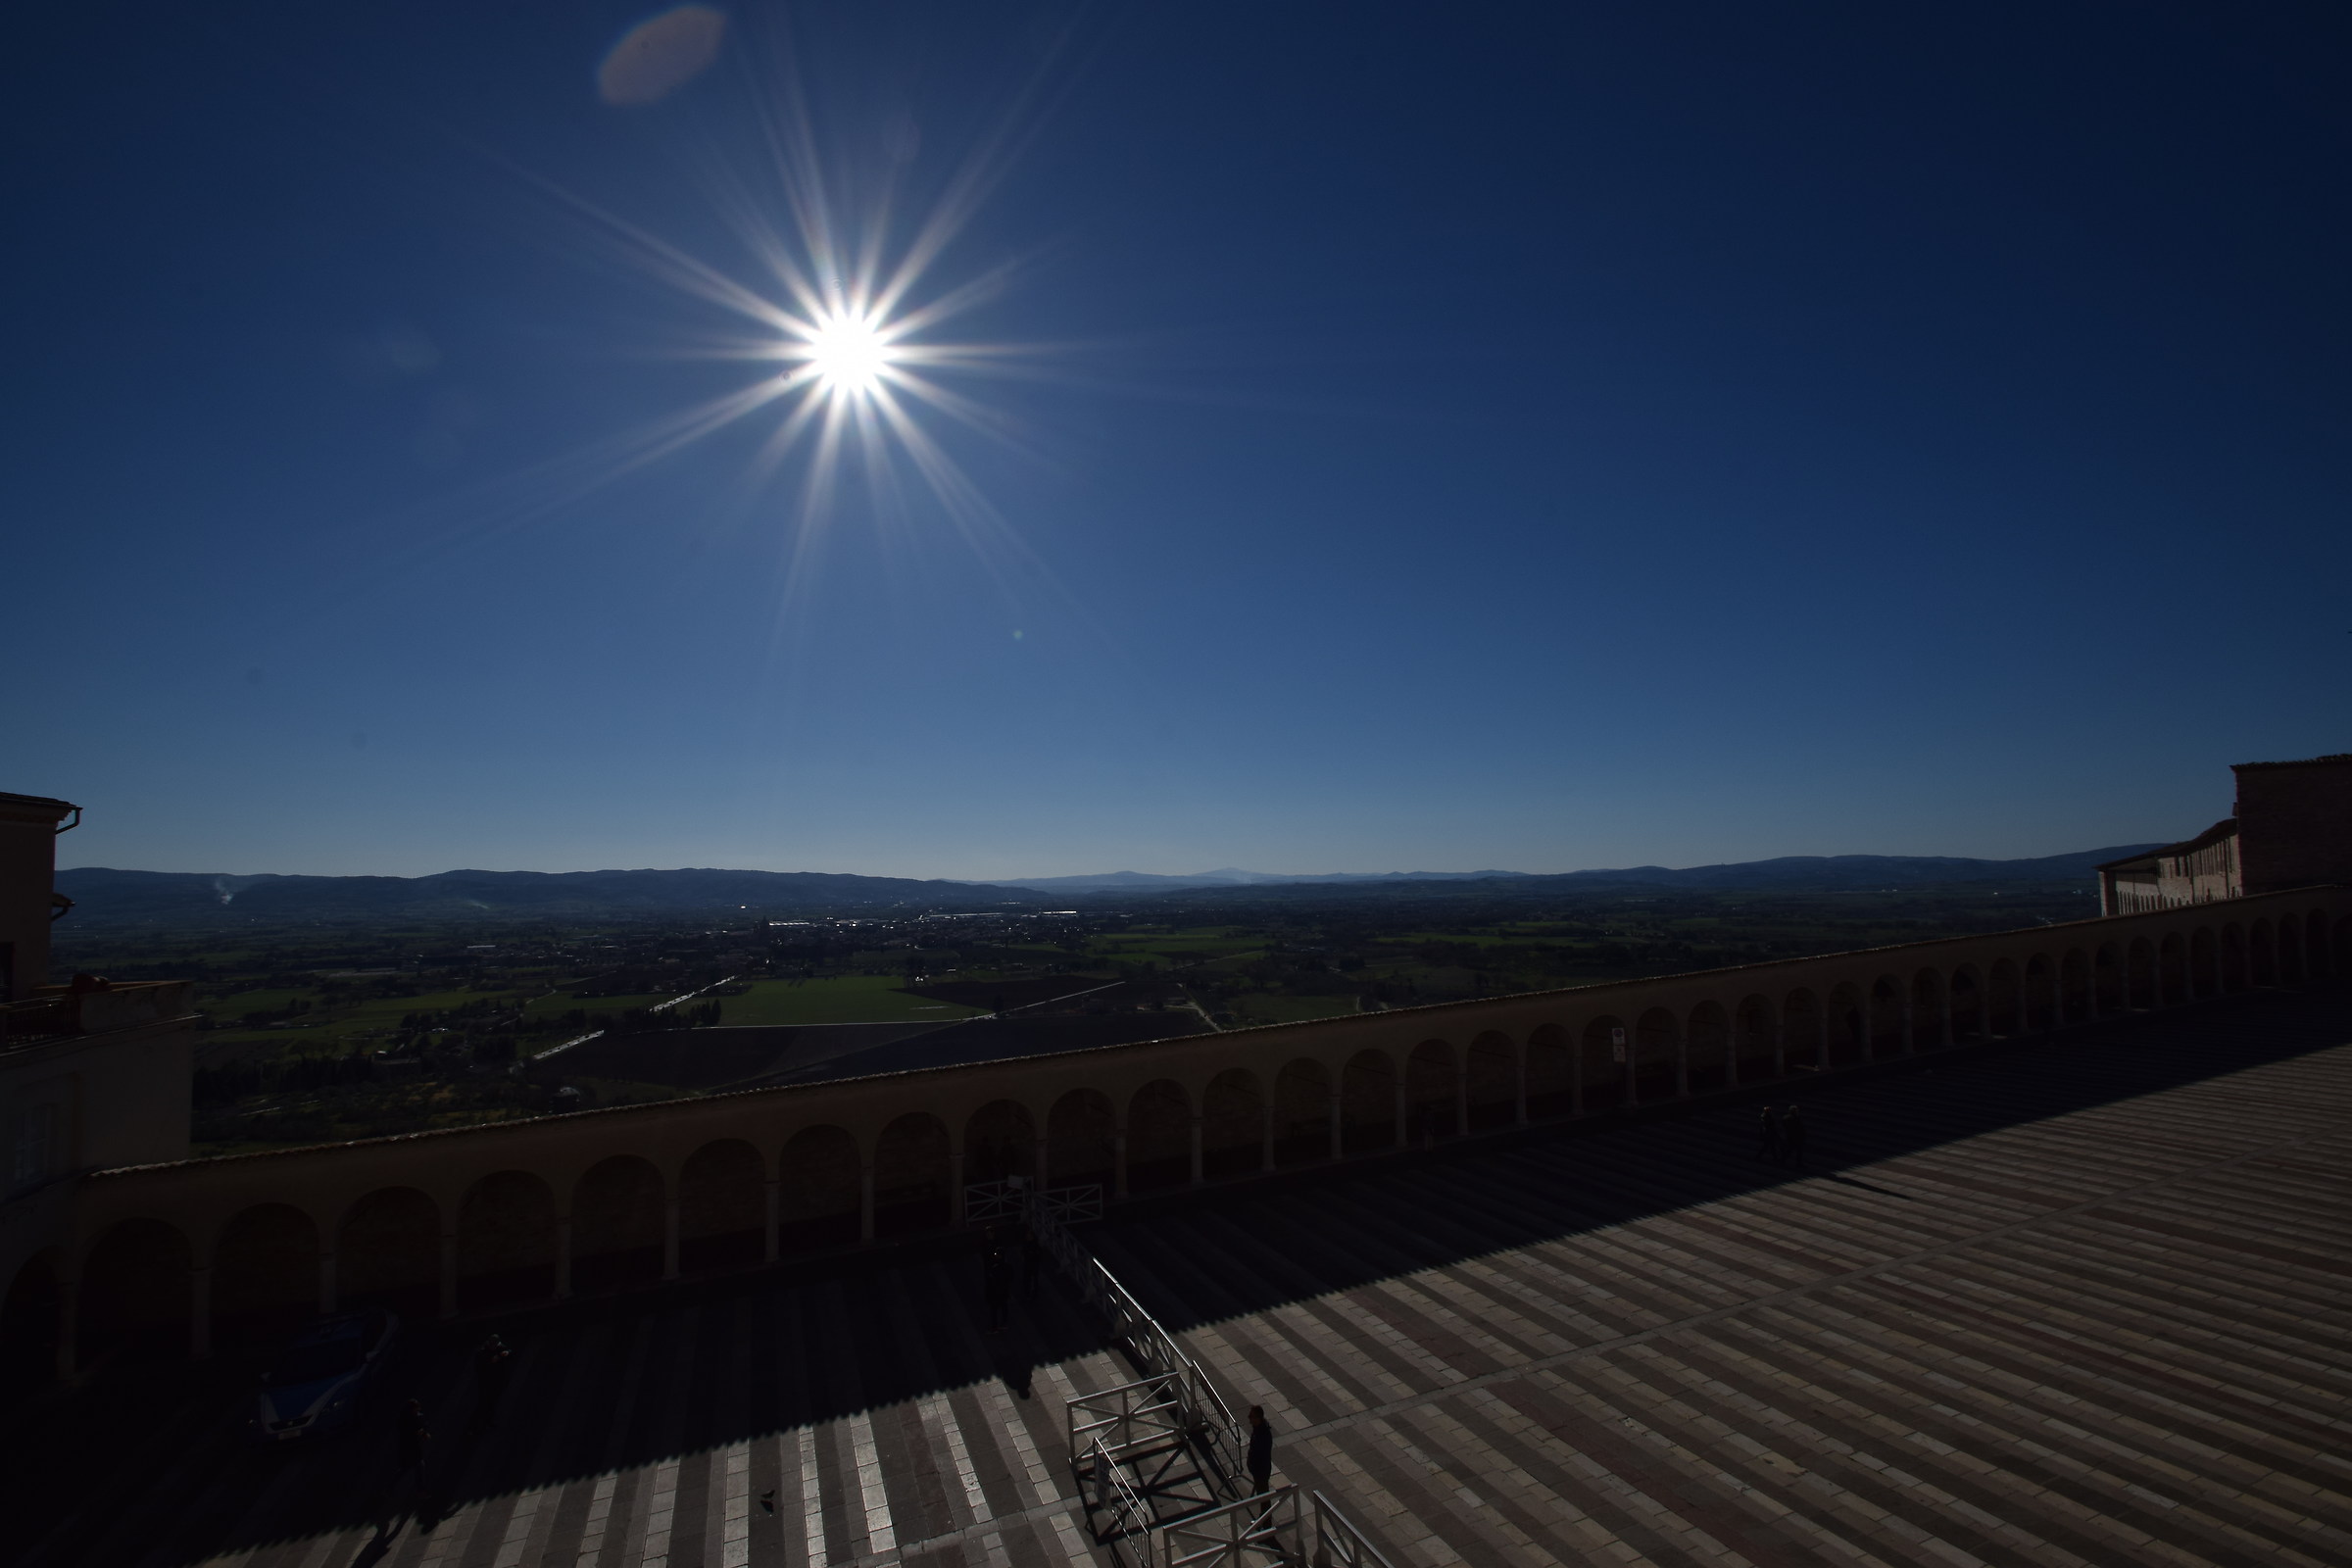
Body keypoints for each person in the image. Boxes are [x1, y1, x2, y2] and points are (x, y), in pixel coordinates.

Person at [467, 1334, 513, 1432]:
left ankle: (486, 1419)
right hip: (486, 1381)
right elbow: (479, 1368)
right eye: (494, 1345)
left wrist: (507, 1353)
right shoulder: (482, 1352)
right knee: (485, 1401)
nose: (495, 1347)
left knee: (491, 1401)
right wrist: (490, 1362)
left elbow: (509, 1351)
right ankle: (482, 1421)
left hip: (497, 1379)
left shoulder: (499, 1347)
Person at [983, 1236, 1012, 1332]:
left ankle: (995, 1326)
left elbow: (991, 1280)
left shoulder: (995, 1267)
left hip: (996, 1291)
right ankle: (1002, 1323)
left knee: (995, 1309)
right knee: (1002, 1307)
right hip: (1002, 1291)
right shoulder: (1006, 1266)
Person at [1246, 1405, 1274, 1494]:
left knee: (1263, 1495)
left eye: (1251, 1416)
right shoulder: (1258, 1430)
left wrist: (1253, 1466)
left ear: (1257, 1418)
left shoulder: (1262, 1435)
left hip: (1261, 1471)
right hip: (1259, 1470)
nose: (1249, 1418)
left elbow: (1260, 1454)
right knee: (1262, 1493)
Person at [1019, 1223, 1044, 1301]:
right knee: (1027, 1280)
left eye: (1029, 1236)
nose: (1027, 1237)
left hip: (1033, 1266)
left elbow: (1038, 1255)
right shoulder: (1026, 1244)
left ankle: (1032, 1295)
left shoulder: (1035, 1245)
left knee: (1033, 1281)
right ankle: (1028, 1294)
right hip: (1027, 1265)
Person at [1780, 1105, 1807, 1170]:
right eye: (1796, 1110)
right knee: (1797, 1150)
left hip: (1790, 1136)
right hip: (1796, 1137)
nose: (1798, 1111)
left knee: (1791, 1150)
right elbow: (1800, 1127)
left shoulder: (1785, 1118)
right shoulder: (1795, 1118)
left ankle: (1783, 1160)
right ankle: (1798, 1163)